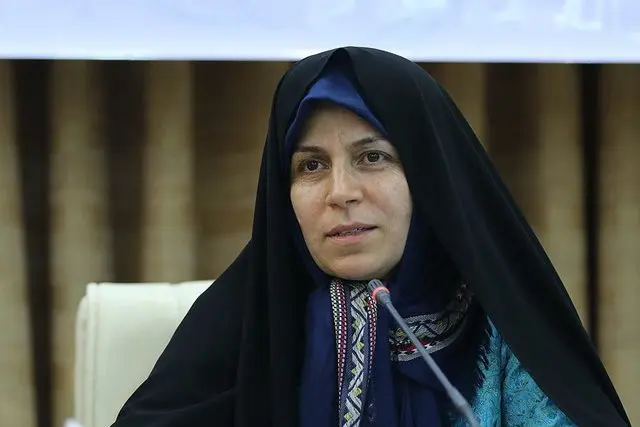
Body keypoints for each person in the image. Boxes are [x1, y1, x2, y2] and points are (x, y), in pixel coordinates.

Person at [112, 47, 630, 426]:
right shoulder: (252, 321)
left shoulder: (507, 328)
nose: (340, 192)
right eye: (311, 166)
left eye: (373, 157)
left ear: (427, 178)